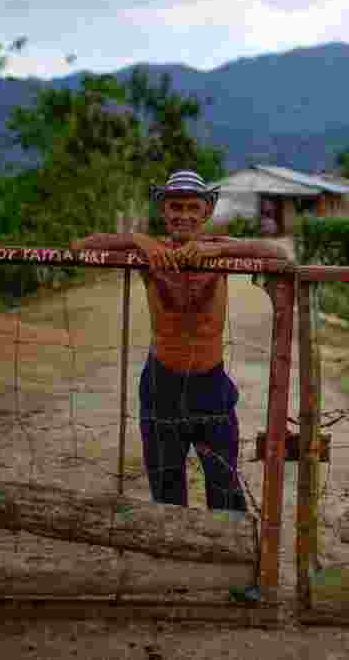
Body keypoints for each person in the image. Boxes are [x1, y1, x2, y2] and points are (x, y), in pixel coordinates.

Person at [71, 169, 289, 511]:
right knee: (166, 486)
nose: (183, 215)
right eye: (175, 206)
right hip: (162, 385)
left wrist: (215, 253)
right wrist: (136, 240)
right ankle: (174, 554)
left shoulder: (220, 250)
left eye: (192, 207)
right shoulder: (150, 252)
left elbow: (278, 254)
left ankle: (231, 552)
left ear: (206, 212)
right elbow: (80, 247)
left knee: (224, 482)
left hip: (210, 385)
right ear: (162, 210)